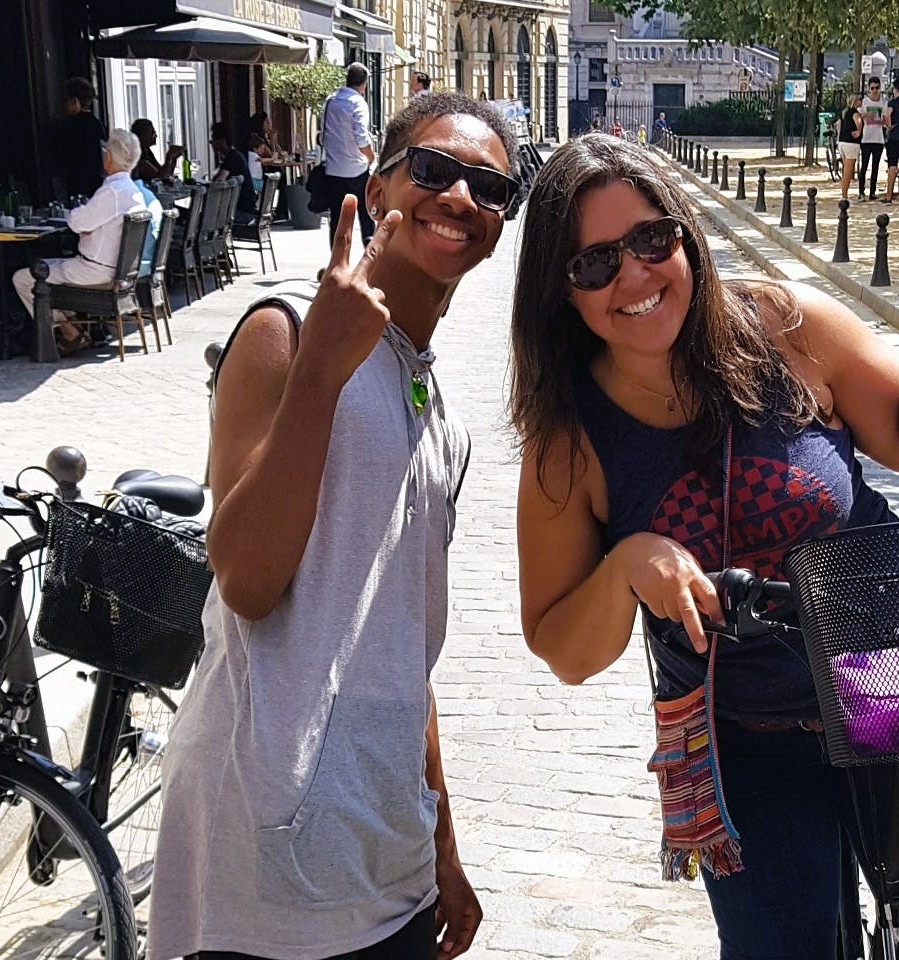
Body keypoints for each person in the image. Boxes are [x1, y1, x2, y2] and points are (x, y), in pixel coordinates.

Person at [508, 135, 899, 960]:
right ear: (559, 294)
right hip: (748, 741)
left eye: (649, 240)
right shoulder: (570, 441)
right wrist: (627, 562)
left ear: (685, 235)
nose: (634, 276)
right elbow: (565, 647)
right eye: (594, 264)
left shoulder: (784, 326)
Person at [145, 90, 521, 960]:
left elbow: (402, 649)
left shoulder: (441, 413)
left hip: (387, 867)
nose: (461, 198)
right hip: (264, 872)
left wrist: (443, 842)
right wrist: (320, 368)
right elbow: (244, 578)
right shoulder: (282, 332)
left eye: (489, 188)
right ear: (379, 188)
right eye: (433, 170)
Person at [12, 129, 151, 353]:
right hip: (118, 270)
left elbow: (77, 223)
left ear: (108, 157)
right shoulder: (132, 191)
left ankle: (69, 332)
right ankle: (75, 327)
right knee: (51, 268)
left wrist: (82, 218)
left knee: (23, 278)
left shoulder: (112, 192)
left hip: (96, 270)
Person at [321, 62, 378, 246]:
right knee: (365, 217)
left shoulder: (330, 101)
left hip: (333, 170)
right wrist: (372, 158)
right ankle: (370, 263)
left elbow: (323, 135)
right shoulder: (358, 103)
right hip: (357, 170)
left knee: (337, 220)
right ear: (364, 84)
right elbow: (362, 139)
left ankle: (336, 263)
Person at [52, 77, 108, 201]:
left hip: (76, 184)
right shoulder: (97, 124)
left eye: (66, 101)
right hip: (96, 184)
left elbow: (62, 156)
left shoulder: (69, 126)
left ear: (75, 102)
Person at [211, 122, 258, 225]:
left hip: (241, 212)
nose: (212, 145)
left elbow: (219, 182)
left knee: (207, 216)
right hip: (247, 208)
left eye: (212, 141)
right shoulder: (235, 155)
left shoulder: (231, 158)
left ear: (222, 141)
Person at [857, 76, 886, 201]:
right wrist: (865, 115)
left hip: (878, 139)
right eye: (872, 88)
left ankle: (872, 192)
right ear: (869, 89)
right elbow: (859, 116)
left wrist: (882, 122)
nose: (874, 90)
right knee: (864, 166)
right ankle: (861, 191)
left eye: (877, 88)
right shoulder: (865, 102)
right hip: (866, 139)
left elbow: (885, 119)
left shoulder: (884, 102)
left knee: (875, 167)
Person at [132, 118, 184, 182]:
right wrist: (169, 156)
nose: (156, 136)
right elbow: (161, 178)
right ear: (143, 135)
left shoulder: (148, 152)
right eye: (152, 133)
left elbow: (167, 174)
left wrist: (174, 158)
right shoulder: (138, 156)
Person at [835, 93, 864, 201]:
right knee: (848, 171)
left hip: (842, 141)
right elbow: (858, 122)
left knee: (845, 170)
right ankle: (844, 196)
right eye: (860, 99)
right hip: (851, 143)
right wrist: (859, 131)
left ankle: (844, 193)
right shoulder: (855, 113)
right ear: (856, 101)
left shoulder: (844, 112)